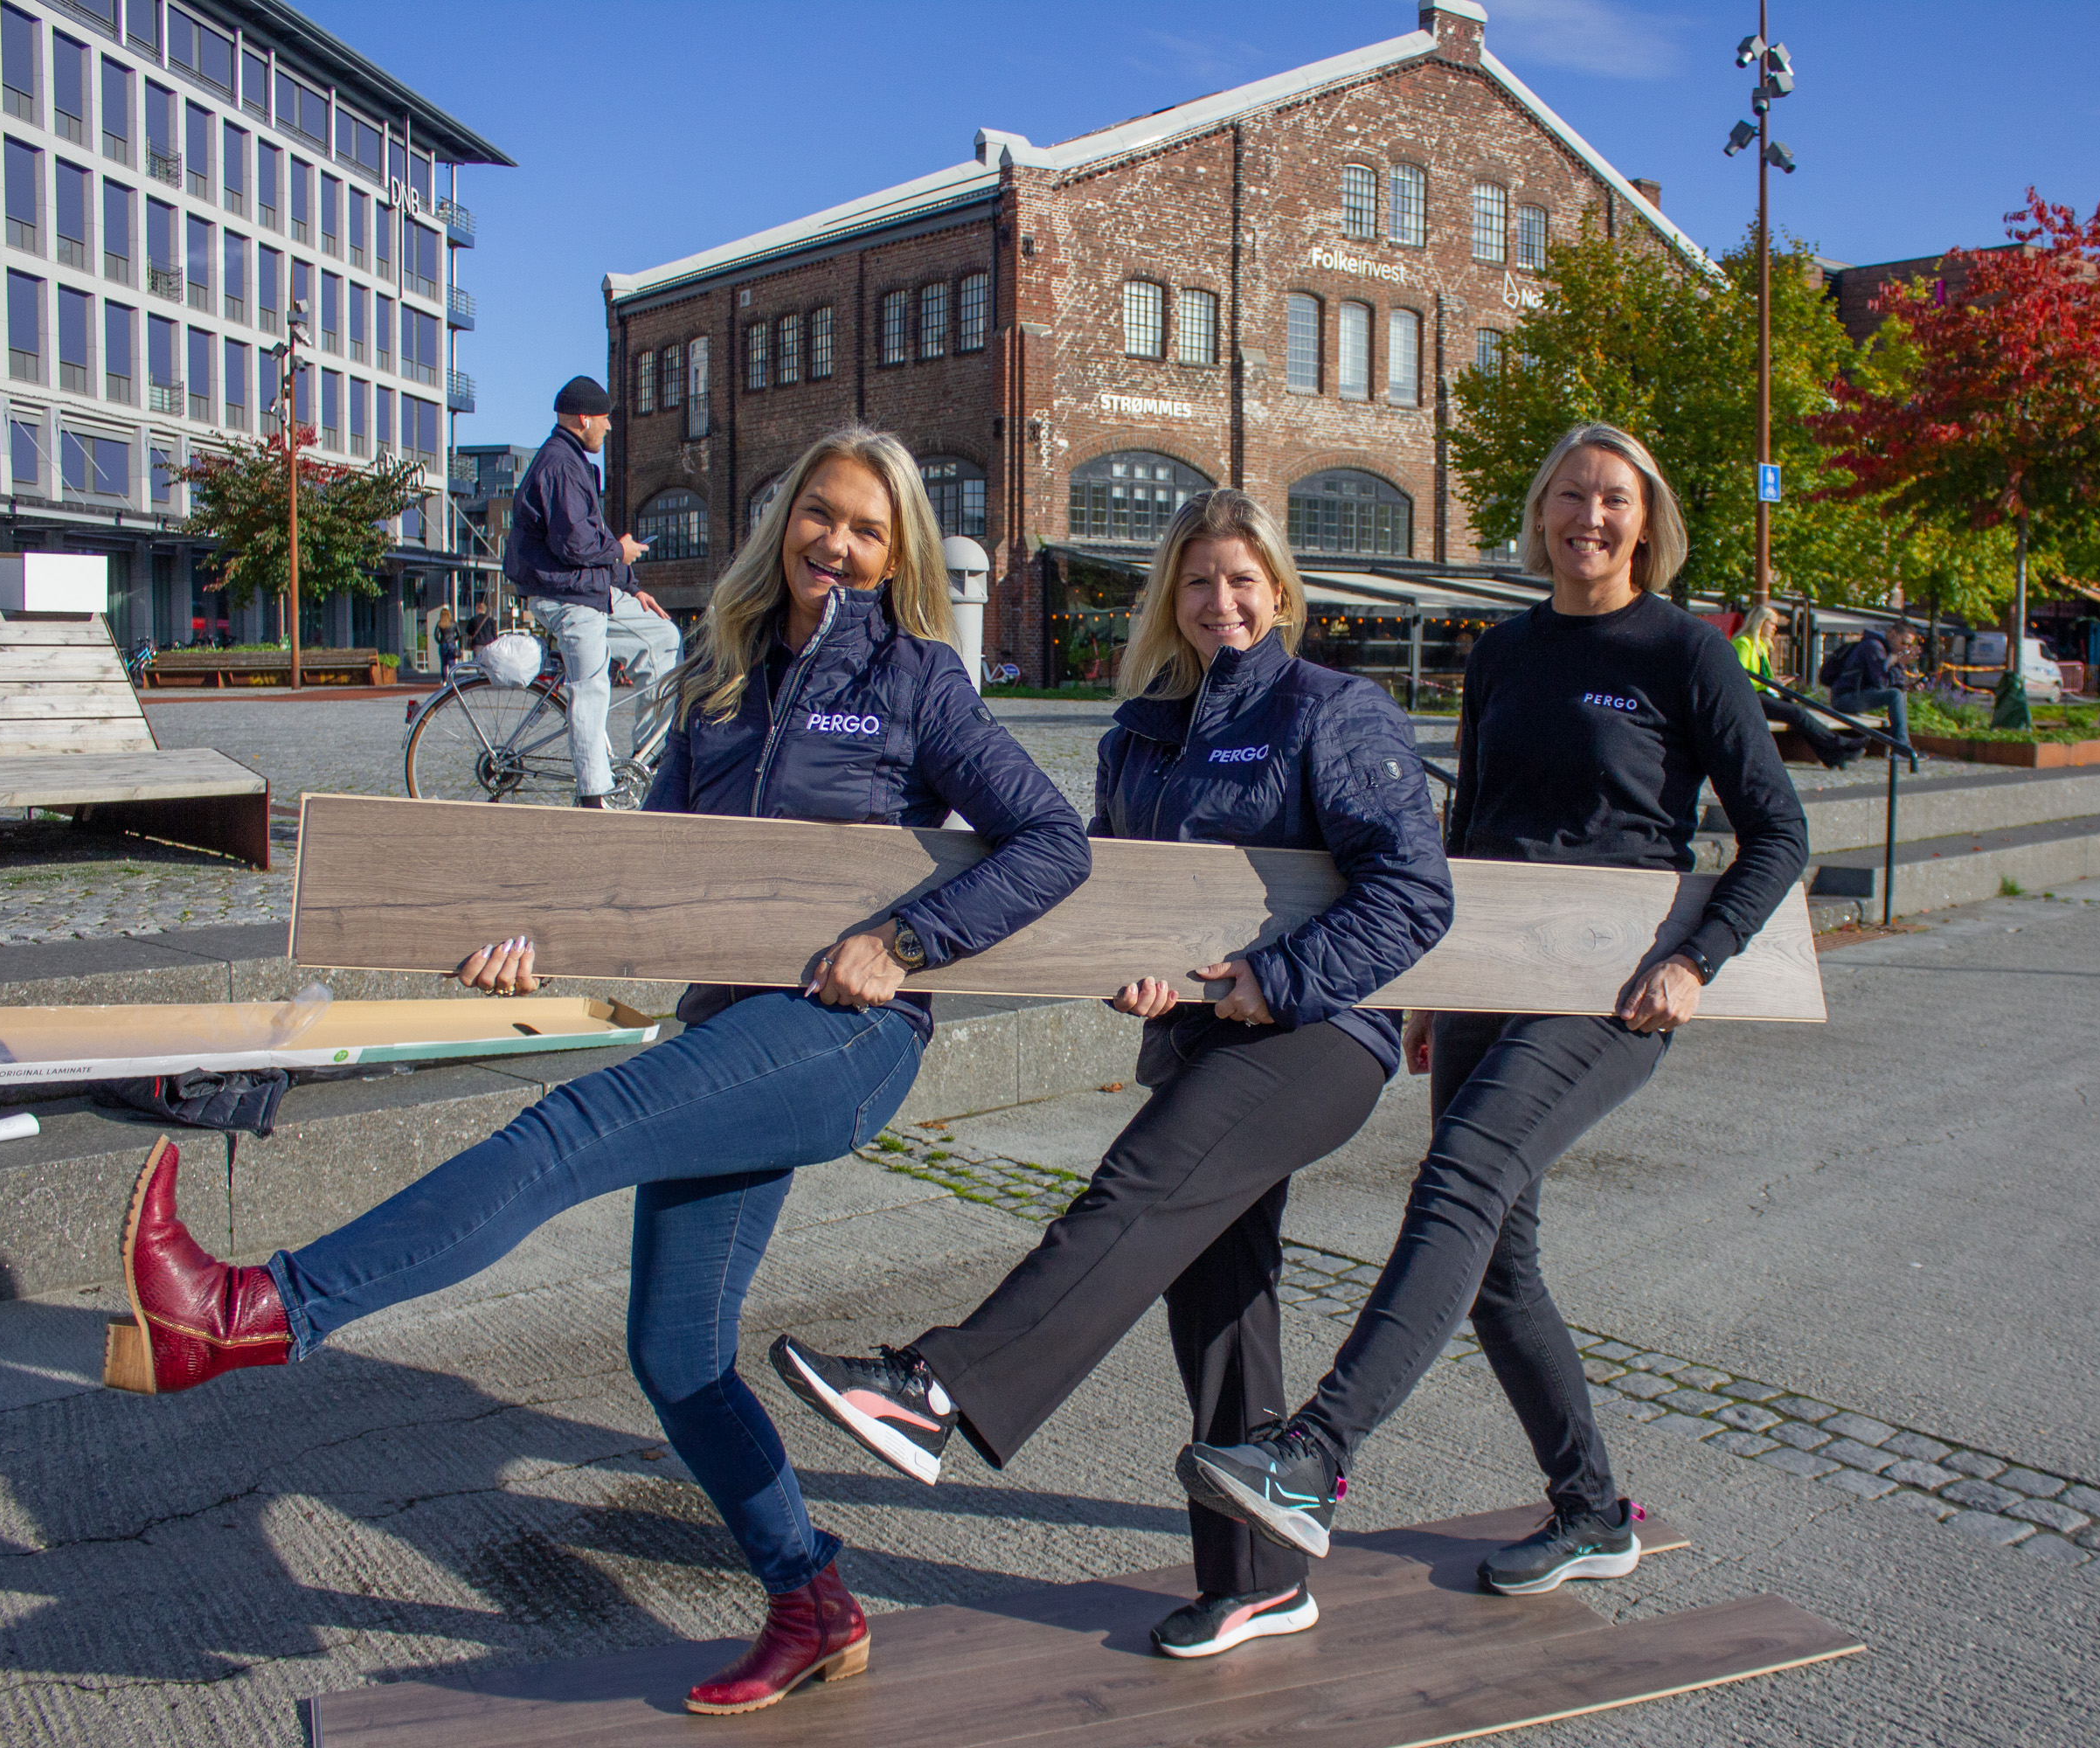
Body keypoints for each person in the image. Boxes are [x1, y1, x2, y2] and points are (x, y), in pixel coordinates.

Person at [106, 427, 1092, 1717]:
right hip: (727, 1026)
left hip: (843, 1038)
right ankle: (813, 1600)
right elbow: (647, 872)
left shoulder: (918, 678)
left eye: (867, 528)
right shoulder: (721, 673)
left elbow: (1053, 841)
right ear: (783, 519)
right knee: (676, 1350)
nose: (836, 543)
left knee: (567, 1132)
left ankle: (256, 1311)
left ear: (896, 550)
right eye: (819, 514)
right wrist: (540, 940)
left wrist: (905, 942)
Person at [772, 489, 1454, 1661]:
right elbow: (1120, 898)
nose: (1221, 602)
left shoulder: (1332, 709)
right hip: (1202, 1038)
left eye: (1242, 580)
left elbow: (1413, 892)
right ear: (1169, 599)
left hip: (1319, 1035)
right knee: (1219, 1294)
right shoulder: (1137, 737)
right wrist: (1135, 973)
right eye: (1198, 581)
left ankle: (939, 1389)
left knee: (1136, 1195)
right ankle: (1259, 1578)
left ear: (1279, 591)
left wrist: (1274, 979)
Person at [1173, 424, 1809, 1597]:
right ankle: (1592, 1511)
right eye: (1570, 494)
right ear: (1540, 512)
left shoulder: (1686, 651)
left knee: (1461, 1176)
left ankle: (1314, 1455)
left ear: (1647, 521)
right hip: (1486, 969)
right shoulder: (1506, 650)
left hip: (1613, 983)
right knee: (1501, 1266)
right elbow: (1466, 828)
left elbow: (1779, 830)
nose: (1589, 517)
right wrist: (1431, 985)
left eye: (1613, 498)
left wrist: (1697, 961)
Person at [502, 375, 683, 807]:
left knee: (663, 637)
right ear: (584, 419)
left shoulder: (572, 461)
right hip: (565, 595)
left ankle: (648, 763)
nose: (609, 426)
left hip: (586, 589)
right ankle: (593, 798)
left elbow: (588, 541)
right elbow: (576, 544)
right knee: (591, 688)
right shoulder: (560, 465)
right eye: (604, 418)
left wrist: (631, 588)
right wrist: (620, 551)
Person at [1732, 603, 1854, 766]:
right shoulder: (1743, 643)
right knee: (1796, 713)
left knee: (1797, 712)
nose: (1775, 628)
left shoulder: (1761, 645)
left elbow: (1762, 676)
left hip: (1763, 694)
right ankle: (1840, 744)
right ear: (1760, 622)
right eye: (1772, 623)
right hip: (1749, 698)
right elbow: (1738, 677)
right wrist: (1770, 682)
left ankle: (1832, 755)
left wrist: (1775, 682)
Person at [1824, 623, 1910, 751]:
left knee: (1899, 692)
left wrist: (1908, 685)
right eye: (1903, 642)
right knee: (1895, 695)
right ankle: (1902, 749)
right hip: (1844, 698)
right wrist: (1900, 665)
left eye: (1909, 645)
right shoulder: (1874, 646)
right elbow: (1881, 683)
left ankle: (1902, 745)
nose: (1905, 648)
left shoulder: (1883, 648)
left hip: (1855, 695)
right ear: (1892, 634)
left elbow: (1884, 682)